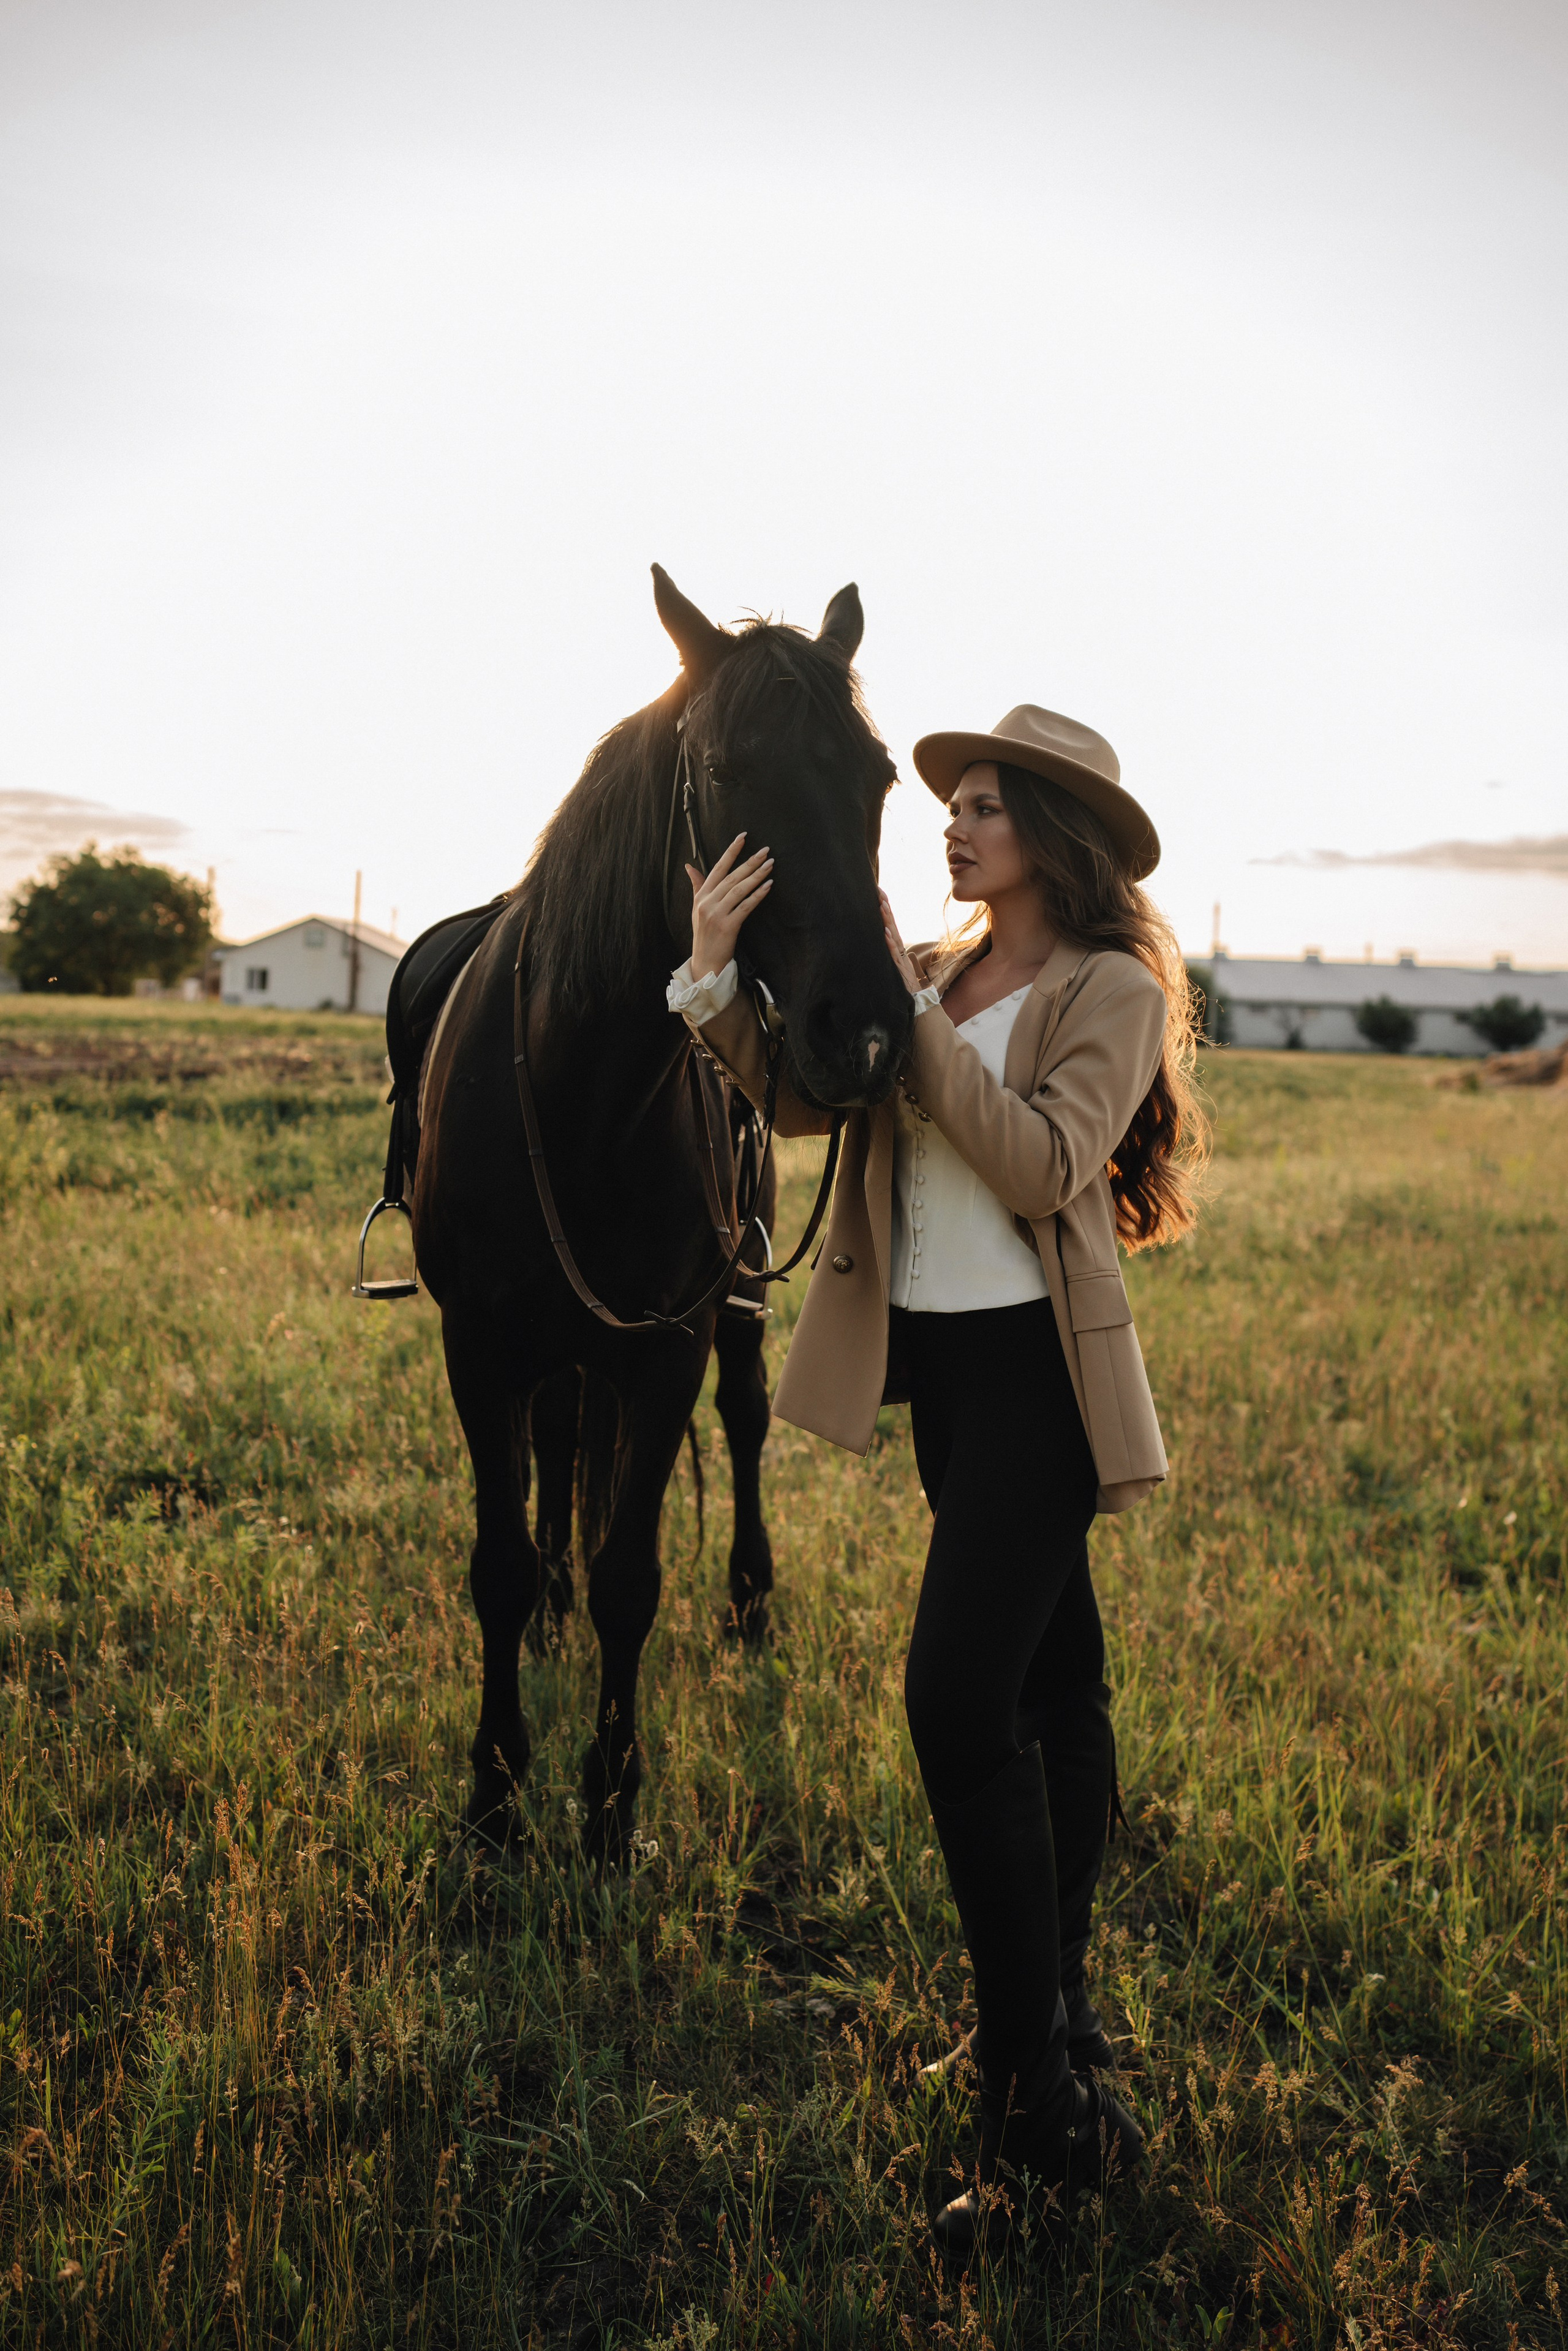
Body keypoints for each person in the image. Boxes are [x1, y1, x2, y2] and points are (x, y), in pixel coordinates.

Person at [666, 704, 1204, 2255]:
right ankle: (1061, 2014)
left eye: (980, 807)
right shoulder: (934, 971)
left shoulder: (1109, 987)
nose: (951, 828)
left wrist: (915, 1027)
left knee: (957, 1708)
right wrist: (715, 976)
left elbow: (1041, 1162)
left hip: (1040, 1377)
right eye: (950, 807)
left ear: (1051, 830)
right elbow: (808, 1096)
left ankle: (1027, 2108)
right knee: (1052, 1685)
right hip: (947, 1383)